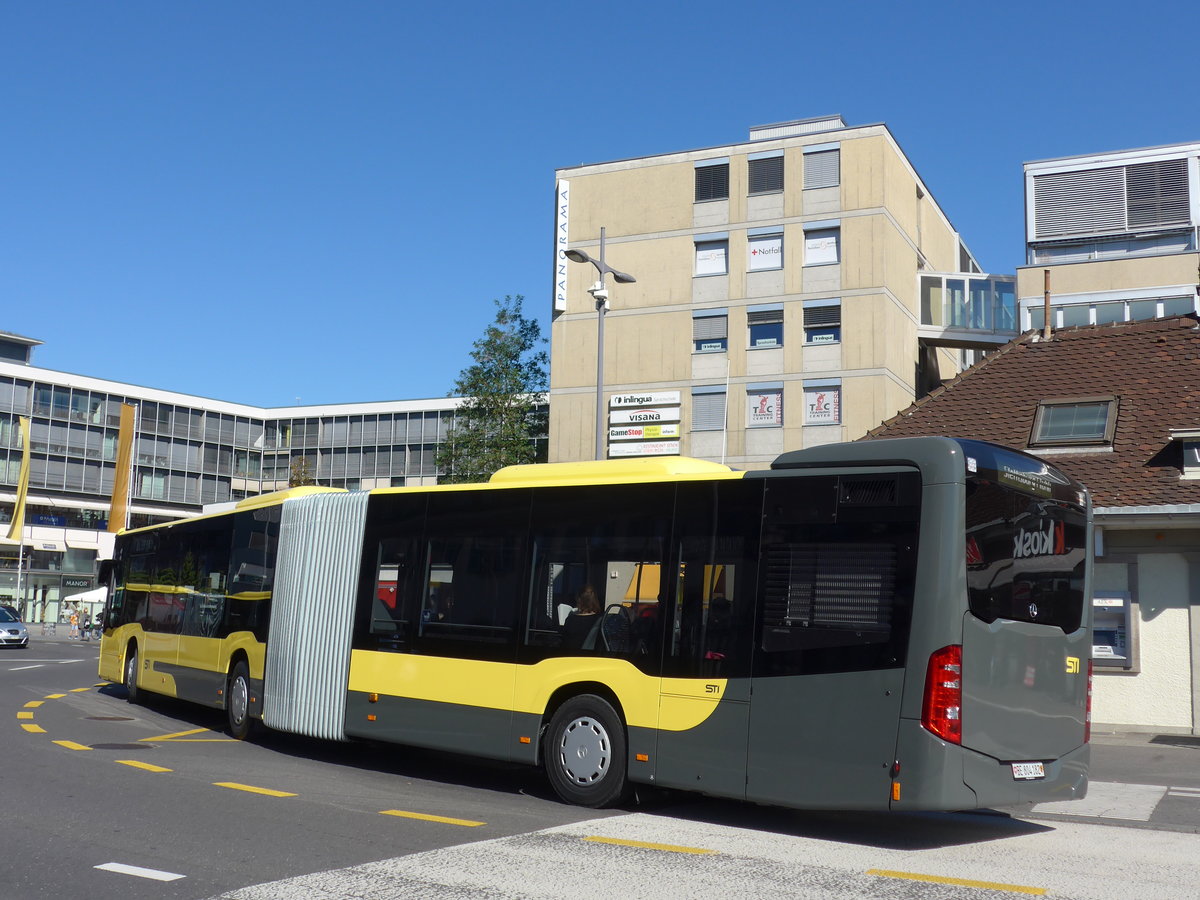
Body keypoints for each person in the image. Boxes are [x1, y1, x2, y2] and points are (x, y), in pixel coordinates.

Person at [562, 585, 601, 649]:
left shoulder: (570, 620)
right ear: (595, 600)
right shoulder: (600, 621)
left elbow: (564, 642)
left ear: (579, 600)